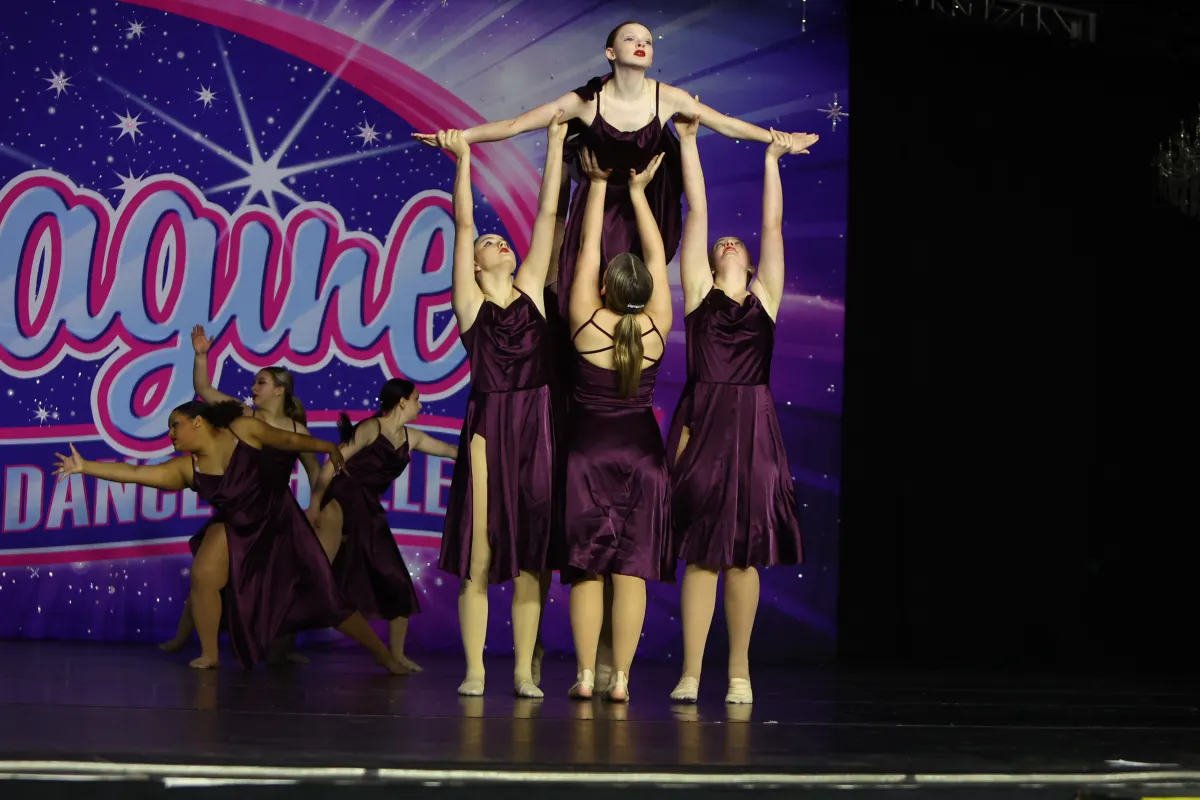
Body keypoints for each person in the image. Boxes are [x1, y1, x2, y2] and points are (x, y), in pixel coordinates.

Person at [414, 20, 819, 321]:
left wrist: (778, 139)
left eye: (647, 41)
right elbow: (516, 124)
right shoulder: (587, 100)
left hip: (649, 202)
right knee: (589, 284)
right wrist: (460, 136)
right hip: (600, 202)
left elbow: (727, 124)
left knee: (639, 289)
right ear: (611, 52)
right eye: (631, 39)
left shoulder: (667, 97)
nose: (641, 45)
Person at [52, 401, 406, 673]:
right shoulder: (185, 468)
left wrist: (326, 447)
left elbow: (286, 439)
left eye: (175, 425)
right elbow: (132, 473)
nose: (170, 434)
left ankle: (383, 655)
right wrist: (85, 467)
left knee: (325, 596)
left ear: (198, 422)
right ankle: (209, 654)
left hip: (281, 524)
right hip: (236, 526)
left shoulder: (244, 429)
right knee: (205, 574)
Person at [665, 118, 804, 705]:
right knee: (701, 553)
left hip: (754, 424)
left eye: (737, 245)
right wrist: (691, 142)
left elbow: (771, 225)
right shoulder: (698, 292)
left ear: (749, 266)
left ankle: (739, 670)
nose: (729, 242)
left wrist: (773, 157)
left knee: (744, 556)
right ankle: (692, 672)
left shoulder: (766, 298)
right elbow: (697, 211)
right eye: (724, 243)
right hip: (706, 418)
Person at [433, 110, 567, 698]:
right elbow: (461, 225)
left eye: (499, 240)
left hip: (536, 419)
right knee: (482, 553)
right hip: (490, 418)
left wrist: (557, 140)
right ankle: (475, 669)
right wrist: (463, 160)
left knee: (533, 553)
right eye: (490, 242)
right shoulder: (469, 302)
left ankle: (520, 670)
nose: (495, 241)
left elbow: (545, 214)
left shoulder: (534, 287)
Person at [561, 147, 673, 703]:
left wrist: (598, 183)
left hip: (587, 456)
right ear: (647, 290)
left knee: (588, 570)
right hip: (643, 459)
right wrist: (639, 192)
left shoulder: (584, 318)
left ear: (606, 288)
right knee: (631, 570)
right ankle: (622, 679)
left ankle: (585, 675)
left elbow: (585, 249)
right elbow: (656, 252)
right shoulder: (657, 325)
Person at [159, 327, 318, 662]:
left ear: (279, 390)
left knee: (285, 579)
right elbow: (203, 389)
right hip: (240, 511)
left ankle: (283, 649)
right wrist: (201, 356)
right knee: (207, 575)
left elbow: (317, 474)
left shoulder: (297, 431)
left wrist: (315, 510)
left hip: (276, 514)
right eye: (253, 382)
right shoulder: (244, 416)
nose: (252, 388)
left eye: (260, 382)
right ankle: (186, 639)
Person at [306, 379, 457, 673]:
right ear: (401, 401)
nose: (420, 405)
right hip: (343, 500)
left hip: (368, 510)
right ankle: (276, 641)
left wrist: (489, 450)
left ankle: (395, 656)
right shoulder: (370, 428)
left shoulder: (411, 438)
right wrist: (315, 504)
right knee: (317, 574)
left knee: (396, 580)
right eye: (416, 399)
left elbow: (451, 450)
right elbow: (332, 463)